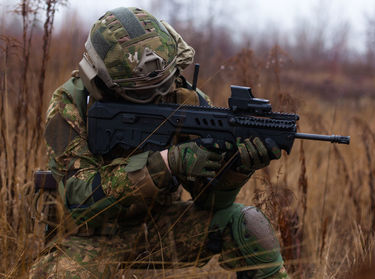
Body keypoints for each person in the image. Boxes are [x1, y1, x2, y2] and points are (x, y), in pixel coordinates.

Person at [30, 7, 290, 279]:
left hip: (159, 229)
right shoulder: (71, 104)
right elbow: (80, 200)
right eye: (143, 93)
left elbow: (212, 204)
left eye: (165, 84)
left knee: (247, 225)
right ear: (103, 81)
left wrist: (236, 168)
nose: (160, 95)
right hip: (87, 238)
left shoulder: (186, 101)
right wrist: (167, 163)